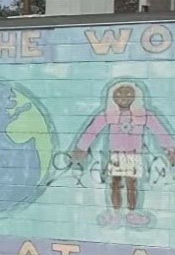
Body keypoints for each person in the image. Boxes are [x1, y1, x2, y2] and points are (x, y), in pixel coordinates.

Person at [71, 80, 174, 228]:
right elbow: (92, 130)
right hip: (116, 156)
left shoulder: (143, 115)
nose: (124, 97)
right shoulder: (109, 114)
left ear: (136, 95)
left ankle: (132, 212)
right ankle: (115, 213)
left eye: (128, 93)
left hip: (134, 155)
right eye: (118, 94)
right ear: (112, 96)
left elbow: (159, 130)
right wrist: (81, 147)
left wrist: (171, 148)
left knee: (132, 185)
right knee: (115, 184)